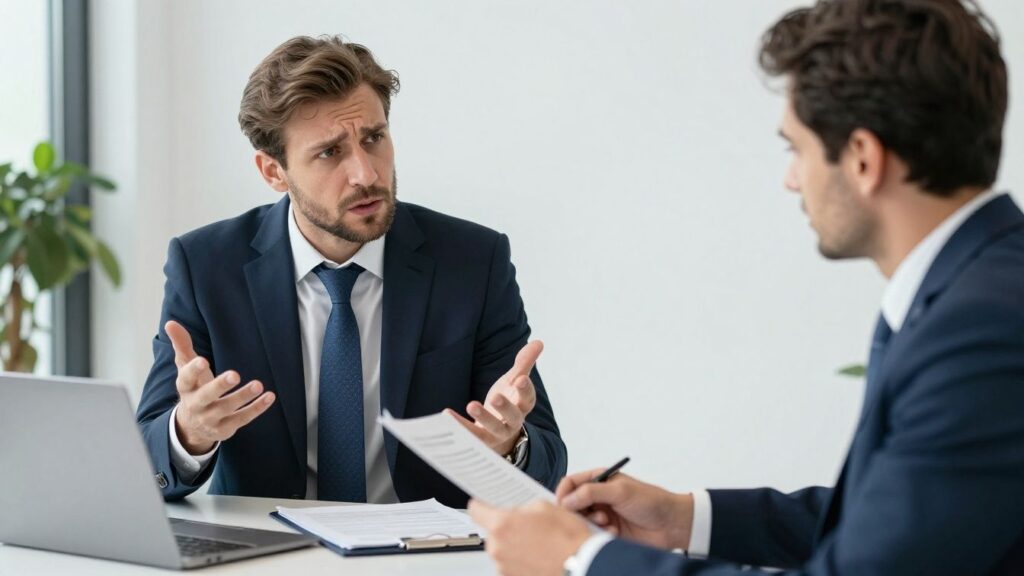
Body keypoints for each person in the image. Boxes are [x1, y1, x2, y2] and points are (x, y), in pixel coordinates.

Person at [468, 0, 1024, 573]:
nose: (790, 179)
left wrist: (582, 559)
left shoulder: (982, 329)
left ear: (862, 159)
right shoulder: (977, 291)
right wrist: (687, 518)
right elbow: (893, 524)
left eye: (796, 149)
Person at [135, 36, 567, 507]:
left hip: (426, 556)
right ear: (273, 171)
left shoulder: (471, 261)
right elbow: (144, 463)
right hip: (270, 556)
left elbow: (547, 462)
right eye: (329, 153)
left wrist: (509, 446)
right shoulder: (207, 267)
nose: (365, 173)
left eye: (373, 139)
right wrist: (189, 432)